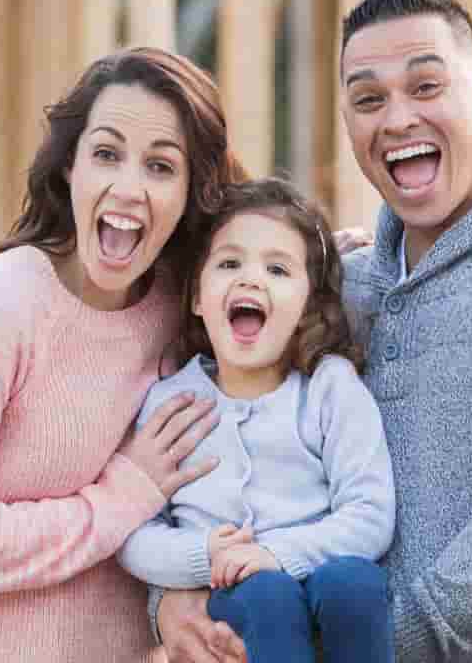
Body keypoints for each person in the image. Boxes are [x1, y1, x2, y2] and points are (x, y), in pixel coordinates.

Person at [153, 0, 472, 663]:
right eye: (368, 99)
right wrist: (177, 595)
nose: (395, 119)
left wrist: (372, 646)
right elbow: (257, 471)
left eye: (425, 87)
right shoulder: (341, 287)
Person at [0, 48, 249, 661]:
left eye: (160, 166)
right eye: (106, 154)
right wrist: (118, 500)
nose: (128, 187)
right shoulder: (4, 302)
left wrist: (327, 261)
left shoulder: (186, 305)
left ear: (191, 193)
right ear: (70, 167)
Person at [118, 177, 395, 663]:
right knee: (267, 596)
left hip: (324, 574)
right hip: (236, 597)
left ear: (309, 303)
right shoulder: (170, 401)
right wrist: (205, 555)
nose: (251, 279)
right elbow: (133, 534)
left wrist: (278, 555)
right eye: (229, 264)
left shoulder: (329, 387)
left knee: (355, 582)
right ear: (198, 299)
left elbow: (370, 515)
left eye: (277, 269)